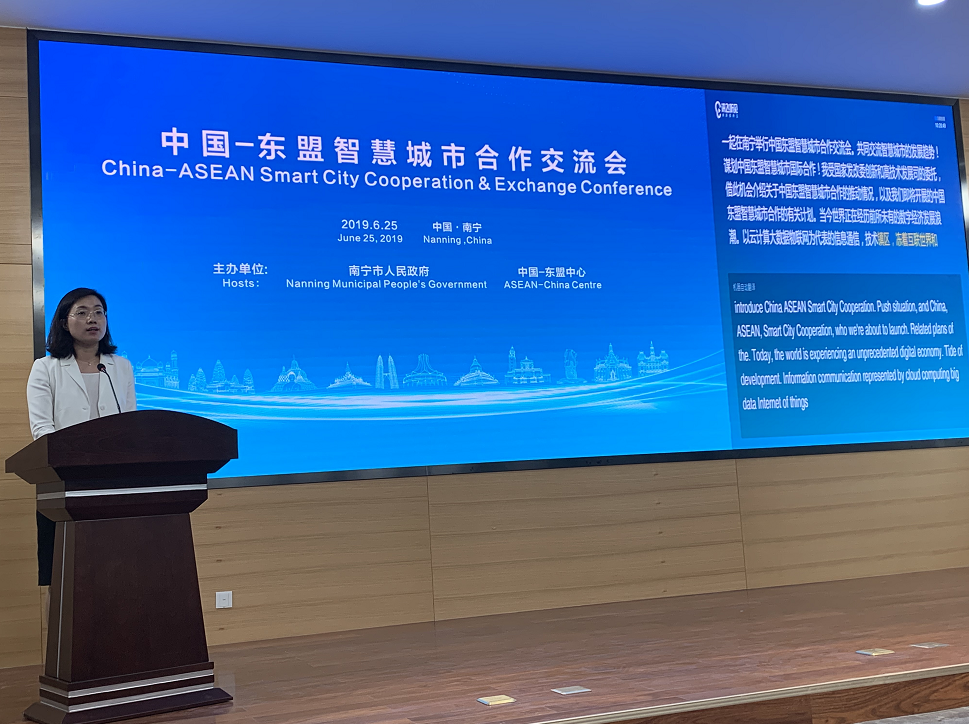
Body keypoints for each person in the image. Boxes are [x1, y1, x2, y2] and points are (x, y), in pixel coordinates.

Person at [26, 288, 137, 627]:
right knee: (62, 576)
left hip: (114, 487)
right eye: (83, 312)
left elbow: (131, 426)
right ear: (64, 321)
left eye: (99, 311)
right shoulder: (45, 368)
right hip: (63, 487)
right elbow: (42, 430)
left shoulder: (120, 367)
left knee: (116, 573)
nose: (93, 319)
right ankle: (62, 649)